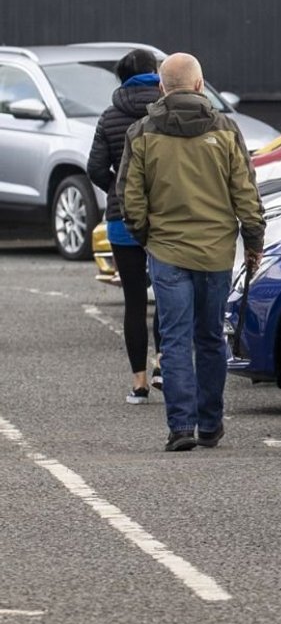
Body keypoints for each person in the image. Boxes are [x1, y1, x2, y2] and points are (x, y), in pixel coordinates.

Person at [118, 53, 265, 452]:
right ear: (200, 85)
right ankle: (210, 424)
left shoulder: (142, 132)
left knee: (175, 339)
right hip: (216, 251)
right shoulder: (226, 129)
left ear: (162, 88)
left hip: (167, 249)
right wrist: (253, 241)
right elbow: (245, 193)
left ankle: (181, 426)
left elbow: (130, 196)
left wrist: (145, 235)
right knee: (211, 337)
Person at [87, 49, 164, 404]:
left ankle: (139, 383)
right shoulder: (165, 110)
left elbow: (95, 168)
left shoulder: (109, 115)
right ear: (155, 72)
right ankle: (163, 364)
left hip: (121, 219)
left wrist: (117, 190)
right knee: (167, 295)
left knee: (134, 301)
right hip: (165, 216)